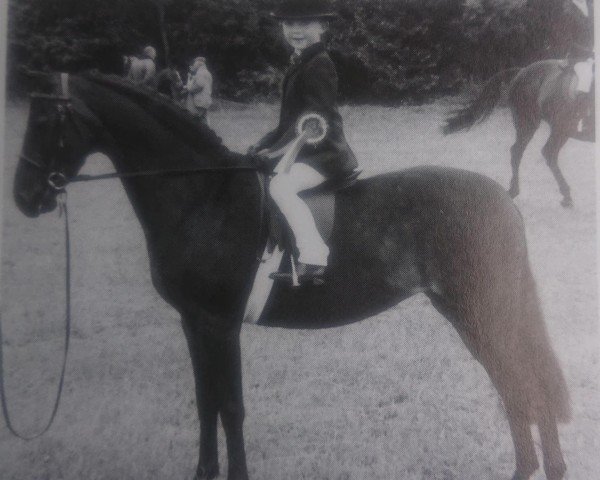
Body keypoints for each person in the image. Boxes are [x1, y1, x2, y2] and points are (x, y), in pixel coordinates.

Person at [249, 0, 357, 283]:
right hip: (303, 149)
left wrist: (274, 151)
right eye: (289, 23)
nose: (295, 30)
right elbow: (288, 122)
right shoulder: (301, 61)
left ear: (322, 25)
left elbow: (312, 120)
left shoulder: (320, 64)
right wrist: (263, 144)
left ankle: (313, 256)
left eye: (304, 23)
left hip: (323, 154)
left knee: (281, 186)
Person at [184, 57, 213, 122]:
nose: (193, 65)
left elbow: (199, 85)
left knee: (194, 120)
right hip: (205, 101)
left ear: (198, 64)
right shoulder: (208, 73)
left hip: (199, 101)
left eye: (194, 64)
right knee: (204, 121)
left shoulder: (200, 72)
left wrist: (189, 89)